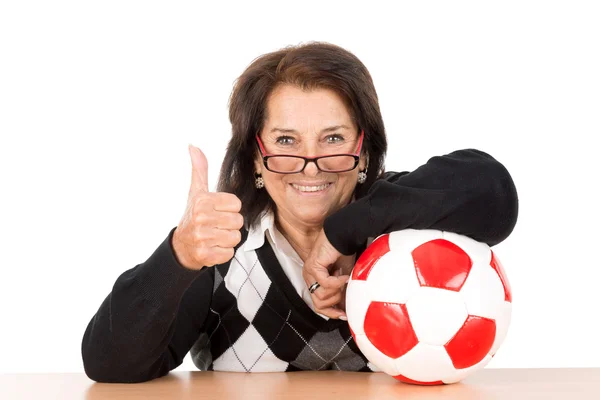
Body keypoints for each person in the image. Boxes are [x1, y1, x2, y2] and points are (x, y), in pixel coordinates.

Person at [81, 41, 518, 383]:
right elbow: (110, 364)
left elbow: (493, 190)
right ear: (255, 157)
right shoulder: (218, 246)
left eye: (333, 139)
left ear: (363, 150)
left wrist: (343, 232)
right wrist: (179, 255)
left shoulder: (399, 218)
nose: (311, 165)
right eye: (286, 142)